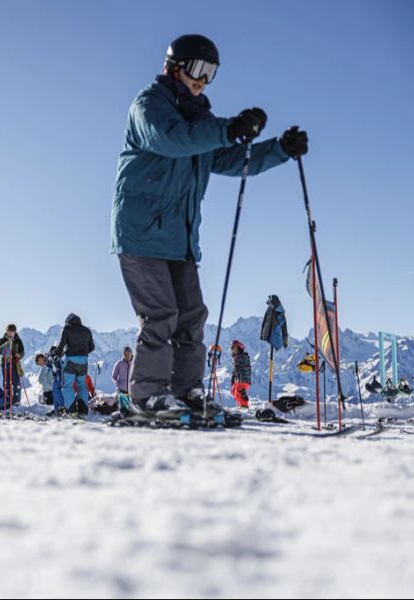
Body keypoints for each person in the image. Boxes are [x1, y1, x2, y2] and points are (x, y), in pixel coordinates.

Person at [111, 34, 308, 421]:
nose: (203, 79)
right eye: (198, 69)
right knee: (161, 314)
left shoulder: (200, 123)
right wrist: (226, 128)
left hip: (181, 239)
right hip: (141, 233)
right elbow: (170, 139)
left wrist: (280, 150)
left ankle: (187, 393)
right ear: (174, 67)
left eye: (211, 72)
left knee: (191, 316)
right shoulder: (150, 106)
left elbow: (235, 160)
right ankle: (148, 396)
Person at [55, 313, 95, 415]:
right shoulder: (87, 330)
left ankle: (71, 411)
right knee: (82, 385)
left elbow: (61, 344)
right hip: (83, 362)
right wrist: (83, 353)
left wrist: (58, 354)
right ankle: (83, 412)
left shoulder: (67, 329)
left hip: (71, 361)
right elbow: (92, 347)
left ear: (68, 321)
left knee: (68, 386)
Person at [0, 324, 24, 408]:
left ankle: (16, 399)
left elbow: (22, 351)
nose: (11, 333)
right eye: (9, 331)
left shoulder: (18, 340)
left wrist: (19, 354)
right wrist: (7, 343)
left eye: (12, 332)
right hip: (5, 363)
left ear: (15, 332)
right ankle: (7, 398)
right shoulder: (2, 340)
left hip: (15, 363)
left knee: (16, 382)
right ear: (7, 331)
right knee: (6, 381)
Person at [230, 340, 252, 409]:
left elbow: (243, 368)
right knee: (233, 390)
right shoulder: (236, 358)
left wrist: (241, 379)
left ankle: (244, 406)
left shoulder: (242, 357)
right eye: (233, 349)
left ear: (240, 349)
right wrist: (233, 378)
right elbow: (235, 369)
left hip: (244, 379)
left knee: (239, 391)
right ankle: (240, 405)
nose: (234, 350)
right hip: (239, 379)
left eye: (235, 349)